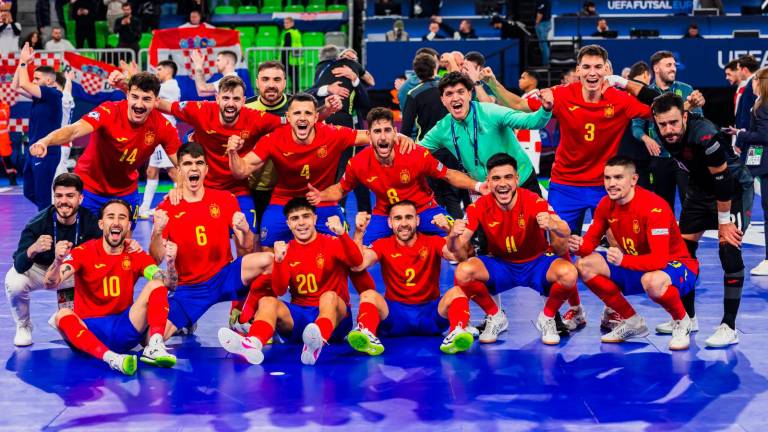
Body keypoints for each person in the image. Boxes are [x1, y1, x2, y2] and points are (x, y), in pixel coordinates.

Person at [227, 93, 412, 247]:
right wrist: (233, 153)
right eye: (297, 113)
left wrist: (398, 135)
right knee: (267, 251)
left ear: (316, 117)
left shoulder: (332, 133)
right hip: (283, 201)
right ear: (289, 117)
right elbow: (241, 171)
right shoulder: (273, 139)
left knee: (342, 249)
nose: (302, 117)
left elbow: (369, 136)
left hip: (323, 201)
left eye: (308, 113)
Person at [651, 92, 753, 348]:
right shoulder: (660, 122)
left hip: (732, 190)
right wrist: (615, 81)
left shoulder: (705, 135)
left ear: (685, 116)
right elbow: (643, 93)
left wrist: (724, 221)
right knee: (682, 253)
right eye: (663, 124)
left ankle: (729, 326)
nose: (668, 129)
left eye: (674, 123)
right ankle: (687, 318)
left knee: (728, 249)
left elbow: (722, 179)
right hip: (698, 190)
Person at [448, 153, 580, 345]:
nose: (502, 184)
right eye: (496, 178)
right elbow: (459, 245)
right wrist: (453, 236)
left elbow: (565, 230)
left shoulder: (534, 200)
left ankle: (548, 317)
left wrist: (552, 223)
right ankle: (495, 316)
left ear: (517, 179)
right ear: (488, 182)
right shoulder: (479, 206)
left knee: (569, 273)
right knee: (463, 272)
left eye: (508, 177)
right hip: (501, 266)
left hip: (536, 263)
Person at [569, 157, 698, 349]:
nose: (611, 184)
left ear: (634, 179)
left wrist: (623, 260)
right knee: (584, 264)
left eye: (618, 177)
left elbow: (659, 260)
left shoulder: (655, 208)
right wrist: (577, 245)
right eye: (607, 178)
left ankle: (682, 321)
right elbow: (589, 245)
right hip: (636, 264)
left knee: (652, 281)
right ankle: (632, 321)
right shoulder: (606, 204)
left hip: (676, 267)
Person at [216, 198, 362, 365]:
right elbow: (279, 290)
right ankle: (253, 344)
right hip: (301, 317)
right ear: (288, 224)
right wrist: (278, 261)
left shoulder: (331, 242)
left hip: (335, 320)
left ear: (314, 219)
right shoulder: (286, 250)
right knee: (268, 301)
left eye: (305, 216)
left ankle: (317, 341)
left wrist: (342, 234)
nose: (301, 223)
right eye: (295, 218)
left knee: (329, 296)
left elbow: (356, 261)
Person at [149, 143, 273, 337]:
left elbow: (248, 245)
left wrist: (246, 229)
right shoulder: (167, 206)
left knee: (269, 261)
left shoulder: (225, 199)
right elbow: (155, 259)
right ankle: (187, 320)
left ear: (206, 169)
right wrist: (157, 232)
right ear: (179, 169)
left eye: (199, 163)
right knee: (152, 338)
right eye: (188, 163)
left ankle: (242, 316)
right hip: (191, 288)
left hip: (224, 275)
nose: (194, 168)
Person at [307, 107, 483, 245]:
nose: (383, 137)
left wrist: (478, 186)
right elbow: (340, 189)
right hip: (385, 214)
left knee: (461, 246)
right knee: (360, 256)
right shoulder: (358, 163)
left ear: (395, 132)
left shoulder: (415, 153)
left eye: (387, 130)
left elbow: (448, 174)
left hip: (424, 209)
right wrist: (319, 196)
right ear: (368, 135)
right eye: (377, 131)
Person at [29, 72, 182, 226]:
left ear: (156, 101)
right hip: (89, 188)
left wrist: (180, 187)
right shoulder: (108, 111)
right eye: (135, 97)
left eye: (147, 99)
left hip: (125, 191)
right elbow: (74, 130)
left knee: (124, 241)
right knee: (83, 243)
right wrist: (45, 141)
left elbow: (182, 165)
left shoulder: (164, 127)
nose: (139, 105)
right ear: (127, 95)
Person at [44, 199, 176, 375]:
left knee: (156, 283)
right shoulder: (84, 252)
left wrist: (171, 264)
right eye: (110, 217)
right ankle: (112, 359)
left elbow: (167, 284)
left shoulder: (135, 254)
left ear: (128, 225)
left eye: (122, 218)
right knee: (62, 314)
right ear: (101, 223)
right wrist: (57, 261)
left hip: (125, 328)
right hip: (91, 331)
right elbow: (51, 282)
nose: (116, 222)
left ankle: (155, 345)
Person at [157, 75, 282, 231]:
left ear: (243, 101)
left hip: (238, 190)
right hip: (204, 189)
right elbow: (161, 104)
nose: (230, 104)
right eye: (226, 98)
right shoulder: (200, 110)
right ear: (217, 98)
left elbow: (293, 122)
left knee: (248, 238)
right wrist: (126, 87)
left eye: (236, 99)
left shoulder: (256, 118)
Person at [346, 200, 474, 355]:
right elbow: (357, 265)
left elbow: (460, 257)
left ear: (417, 220)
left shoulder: (433, 241)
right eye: (398, 218)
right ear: (390, 223)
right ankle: (366, 333)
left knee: (458, 292)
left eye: (409, 217)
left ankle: (457, 332)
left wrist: (450, 233)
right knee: (368, 295)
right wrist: (359, 233)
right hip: (395, 316)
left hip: (431, 315)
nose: (404, 223)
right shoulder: (382, 244)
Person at [5, 174, 101, 346]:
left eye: (70, 196)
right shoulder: (37, 224)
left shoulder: (91, 223)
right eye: (59, 196)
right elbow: (19, 265)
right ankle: (23, 325)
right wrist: (33, 249)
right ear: (53, 197)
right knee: (14, 281)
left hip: (69, 275)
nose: (63, 201)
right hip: (39, 270)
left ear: (80, 198)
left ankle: (63, 317)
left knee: (74, 337)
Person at [418, 72, 553, 194]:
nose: (455, 98)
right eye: (449, 94)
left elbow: (531, 122)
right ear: (442, 100)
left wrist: (545, 109)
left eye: (460, 92)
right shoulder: (442, 128)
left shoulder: (491, 112)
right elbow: (416, 151)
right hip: (486, 190)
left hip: (521, 183)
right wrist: (402, 140)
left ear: (470, 94)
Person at [632, 51, 698, 212]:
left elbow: (698, 121)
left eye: (674, 65)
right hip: (659, 159)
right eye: (668, 65)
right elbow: (636, 126)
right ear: (656, 68)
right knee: (662, 205)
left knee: (690, 203)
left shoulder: (687, 89)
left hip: (685, 157)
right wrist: (647, 139)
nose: (673, 68)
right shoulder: (645, 94)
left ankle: (687, 237)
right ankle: (664, 236)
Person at [725, 68, 768, 275]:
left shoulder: (762, 106)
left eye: (754, 80)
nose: (751, 83)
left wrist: (741, 135)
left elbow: (763, 135)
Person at [13, 44, 63, 211]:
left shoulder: (52, 94)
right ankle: (52, 214)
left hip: (46, 151)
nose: (33, 82)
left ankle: (48, 229)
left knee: (42, 196)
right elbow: (16, 86)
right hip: (32, 150)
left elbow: (25, 84)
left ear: (48, 81)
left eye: (37, 78)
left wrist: (24, 64)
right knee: (29, 192)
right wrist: (21, 61)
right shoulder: (39, 97)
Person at [138, 60, 181, 219]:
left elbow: (147, 90)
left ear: (169, 71)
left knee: (173, 171)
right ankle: (144, 208)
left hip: (165, 134)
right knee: (151, 171)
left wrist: (133, 76)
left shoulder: (170, 86)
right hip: (155, 134)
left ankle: (181, 205)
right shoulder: (167, 86)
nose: (157, 72)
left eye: (160, 69)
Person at [400, 53, 445, 140]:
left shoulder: (413, 94)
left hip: (425, 145)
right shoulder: (446, 89)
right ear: (434, 68)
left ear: (415, 71)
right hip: (449, 144)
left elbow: (406, 130)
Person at [515, 70, 544, 173]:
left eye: (523, 78)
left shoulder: (536, 97)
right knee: (522, 175)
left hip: (529, 141)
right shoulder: (525, 97)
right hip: (522, 139)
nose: (519, 80)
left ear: (532, 81)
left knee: (530, 176)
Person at [53, 71, 76, 180]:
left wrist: (68, 79)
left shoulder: (62, 99)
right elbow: (68, 88)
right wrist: (68, 79)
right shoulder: (67, 96)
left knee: (58, 177)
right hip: (61, 142)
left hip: (61, 143)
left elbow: (66, 88)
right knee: (59, 173)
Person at [735, 55, 760, 137]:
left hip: (751, 138)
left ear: (744, 70)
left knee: (755, 150)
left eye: (738, 69)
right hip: (755, 135)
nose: (737, 72)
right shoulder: (757, 83)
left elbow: (746, 115)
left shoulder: (750, 86)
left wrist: (740, 140)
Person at [280, 17, 302, 86]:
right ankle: (296, 95)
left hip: (287, 60)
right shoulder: (297, 33)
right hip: (295, 59)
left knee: (283, 79)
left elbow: (286, 47)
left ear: (292, 23)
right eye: (284, 23)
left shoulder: (288, 33)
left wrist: (281, 61)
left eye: (287, 23)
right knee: (295, 80)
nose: (285, 24)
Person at [0, 99, 15, 185]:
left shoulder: (4, 105)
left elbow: (4, 115)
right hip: (3, 137)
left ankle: (12, 179)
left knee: (7, 159)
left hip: (3, 139)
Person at [535, 0, 551, 65]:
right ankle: (545, 63)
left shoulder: (542, 1)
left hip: (543, 24)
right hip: (546, 23)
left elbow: (540, 13)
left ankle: (546, 64)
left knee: (543, 45)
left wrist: (536, 23)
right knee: (542, 45)